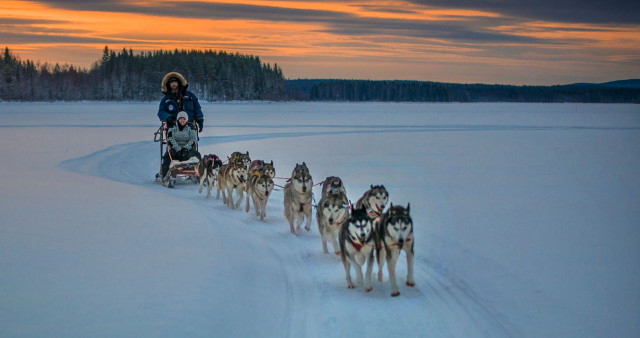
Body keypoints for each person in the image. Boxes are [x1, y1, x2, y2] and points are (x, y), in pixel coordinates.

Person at [160, 111, 202, 179]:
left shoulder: (190, 129)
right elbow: (170, 140)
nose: (182, 121)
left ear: (186, 120)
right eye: (180, 119)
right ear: (178, 119)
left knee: (197, 155)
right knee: (168, 156)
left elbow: (192, 140)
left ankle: (199, 174)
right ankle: (165, 175)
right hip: (175, 150)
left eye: (184, 119)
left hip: (187, 150)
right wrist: (178, 149)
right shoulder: (172, 129)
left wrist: (185, 148)